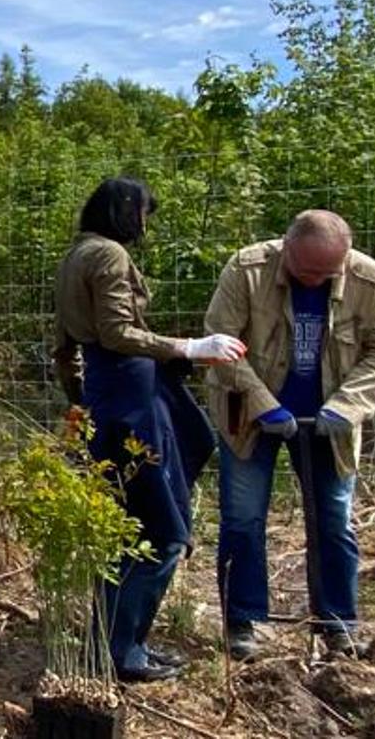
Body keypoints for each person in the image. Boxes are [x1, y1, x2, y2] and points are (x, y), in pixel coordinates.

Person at [51, 177, 247, 683]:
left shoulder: (76, 254)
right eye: (143, 214)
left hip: (108, 394)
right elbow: (118, 333)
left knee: (128, 526)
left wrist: (83, 404)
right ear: (124, 211)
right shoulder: (110, 255)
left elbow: (65, 348)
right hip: (132, 398)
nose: (145, 224)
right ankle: (122, 651)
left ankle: (117, 641)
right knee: (162, 531)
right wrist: (190, 347)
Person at [205, 210, 375, 661]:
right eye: (305, 270)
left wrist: (348, 405)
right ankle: (243, 621)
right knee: (243, 517)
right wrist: (264, 405)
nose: (315, 280)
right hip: (249, 415)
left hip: (329, 423)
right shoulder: (247, 269)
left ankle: (337, 623)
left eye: (326, 272)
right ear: (287, 248)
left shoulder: (369, 280)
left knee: (334, 519)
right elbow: (219, 342)